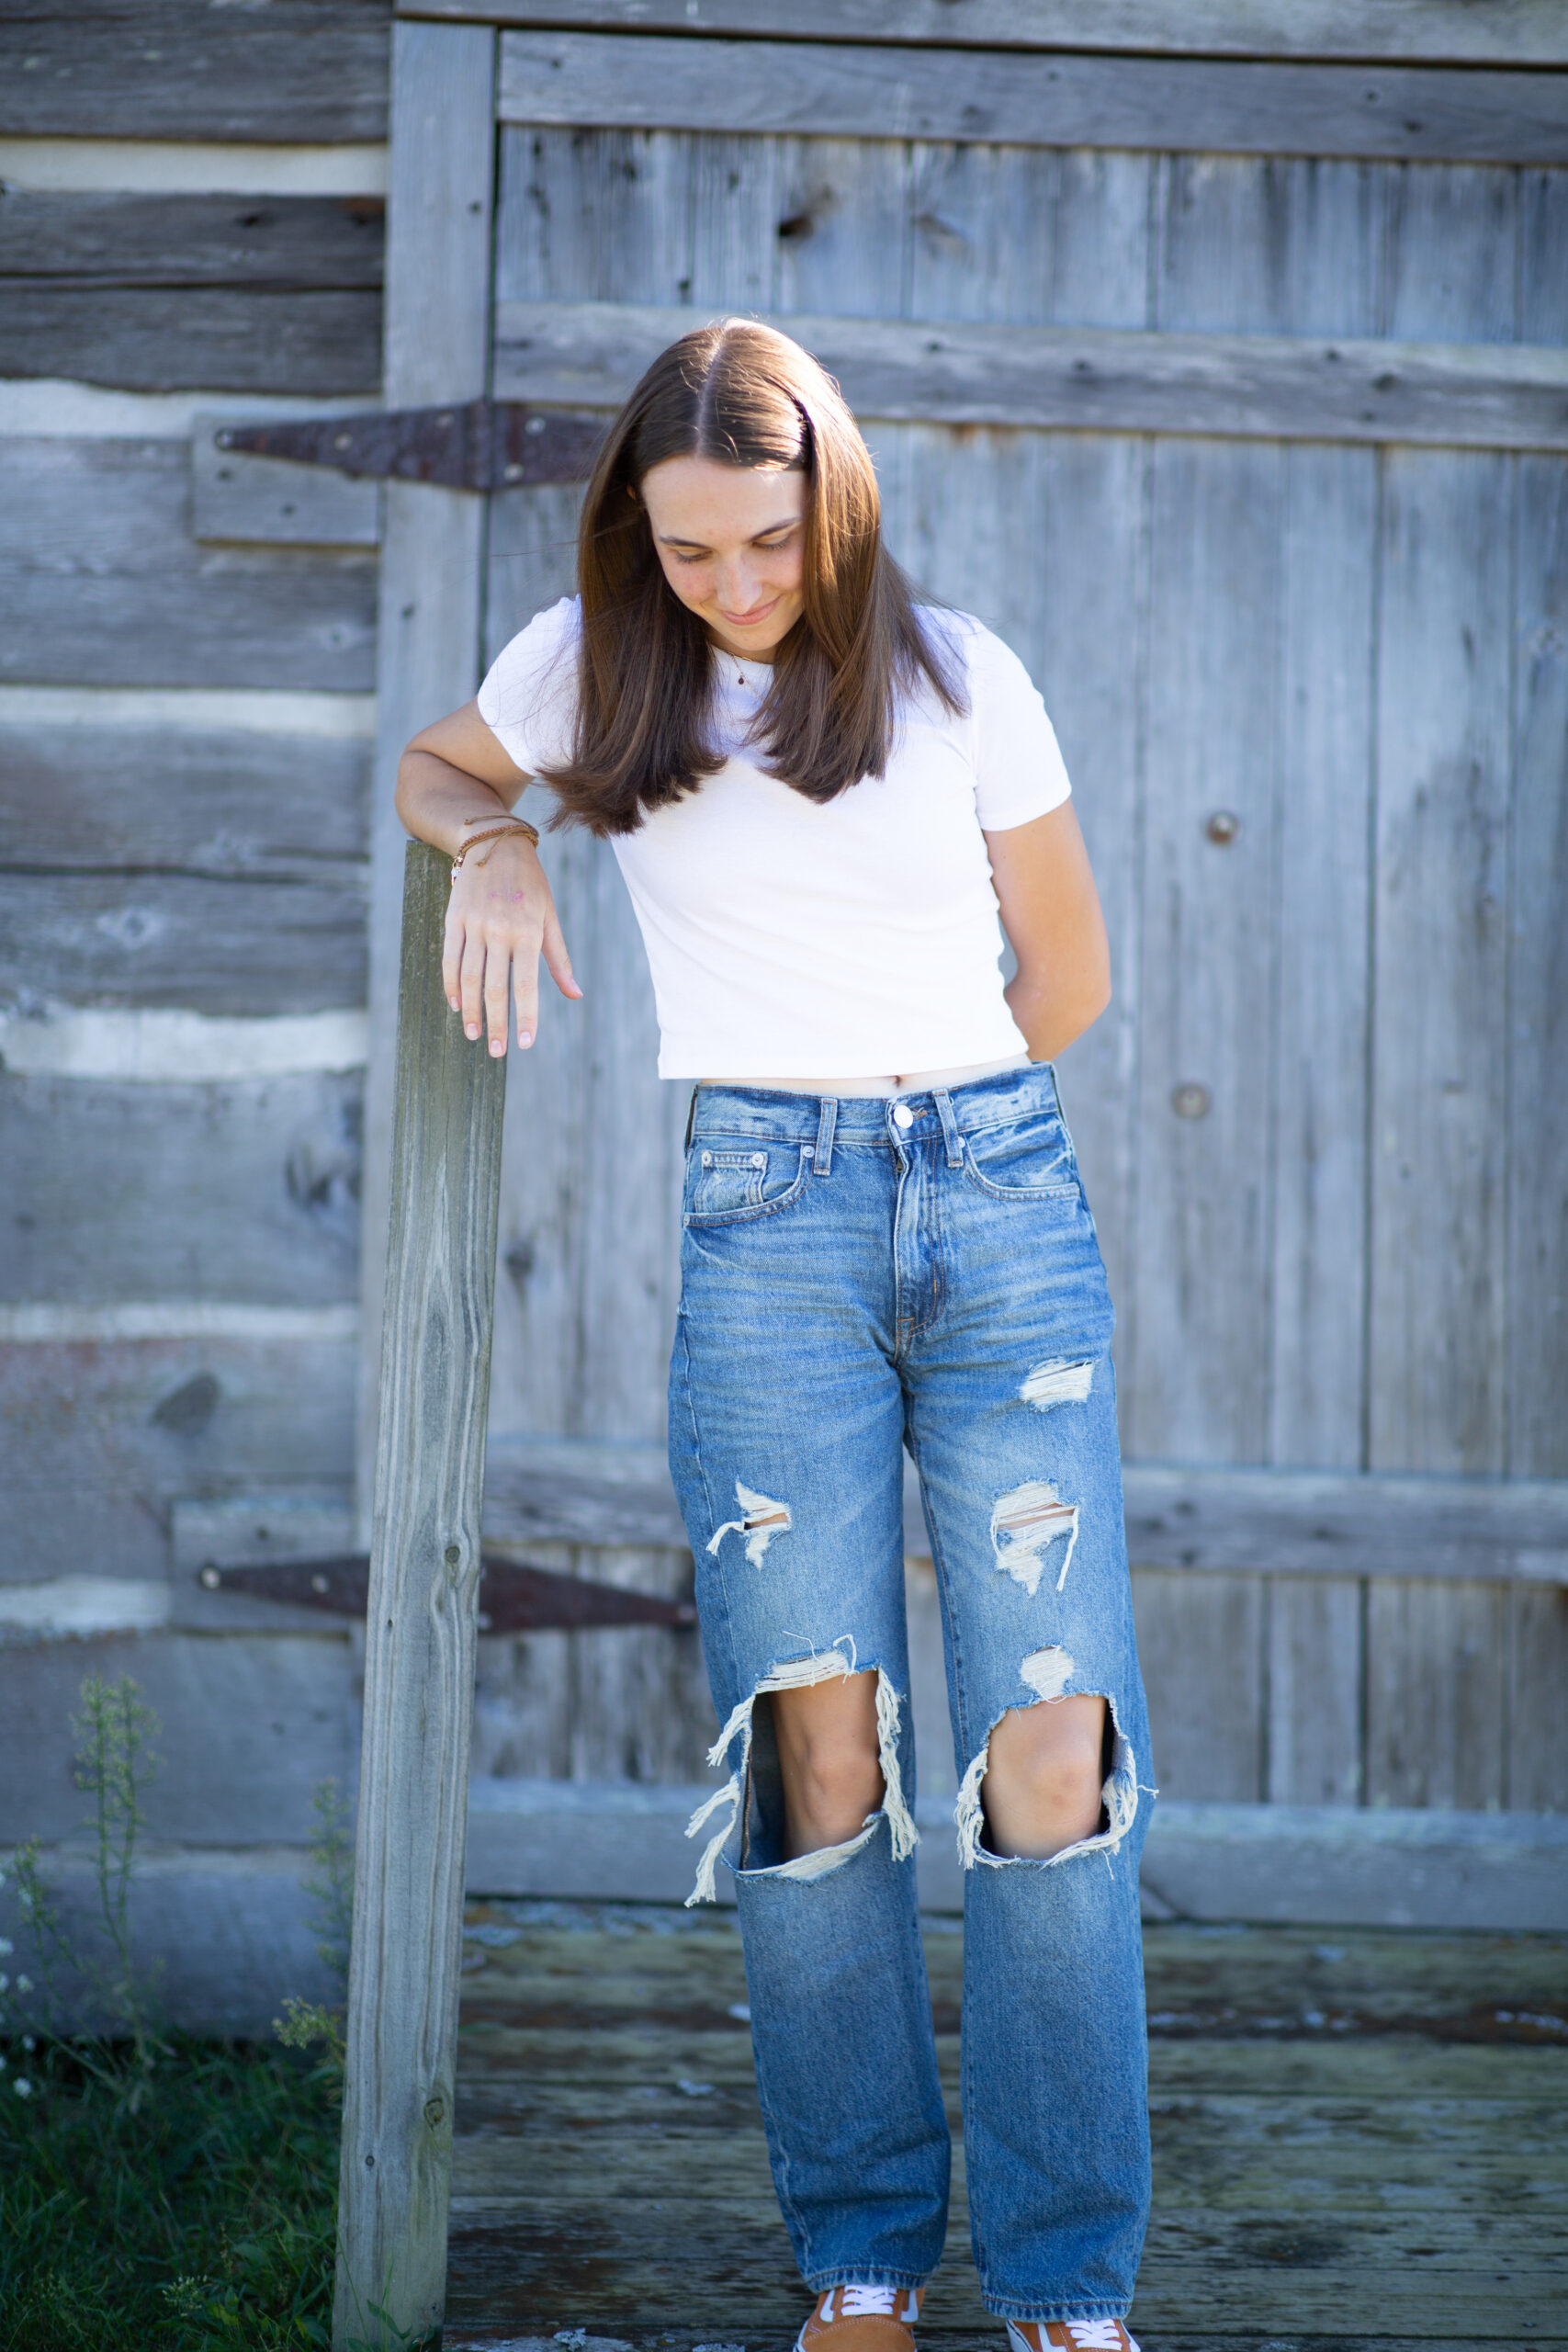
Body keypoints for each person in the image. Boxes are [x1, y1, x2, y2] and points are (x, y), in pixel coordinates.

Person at [395, 319, 1153, 2352]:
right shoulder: (593, 664)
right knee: (816, 1751)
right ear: (634, 538)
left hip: (998, 1204)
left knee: (1044, 1746)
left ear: (834, 502)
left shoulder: (956, 672)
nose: (730, 584)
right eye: (687, 549)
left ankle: (1069, 2285)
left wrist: (936, 1111)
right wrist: (491, 836)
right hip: (762, 1225)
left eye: (764, 540)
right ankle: (863, 2256)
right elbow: (440, 760)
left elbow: (1061, 971)